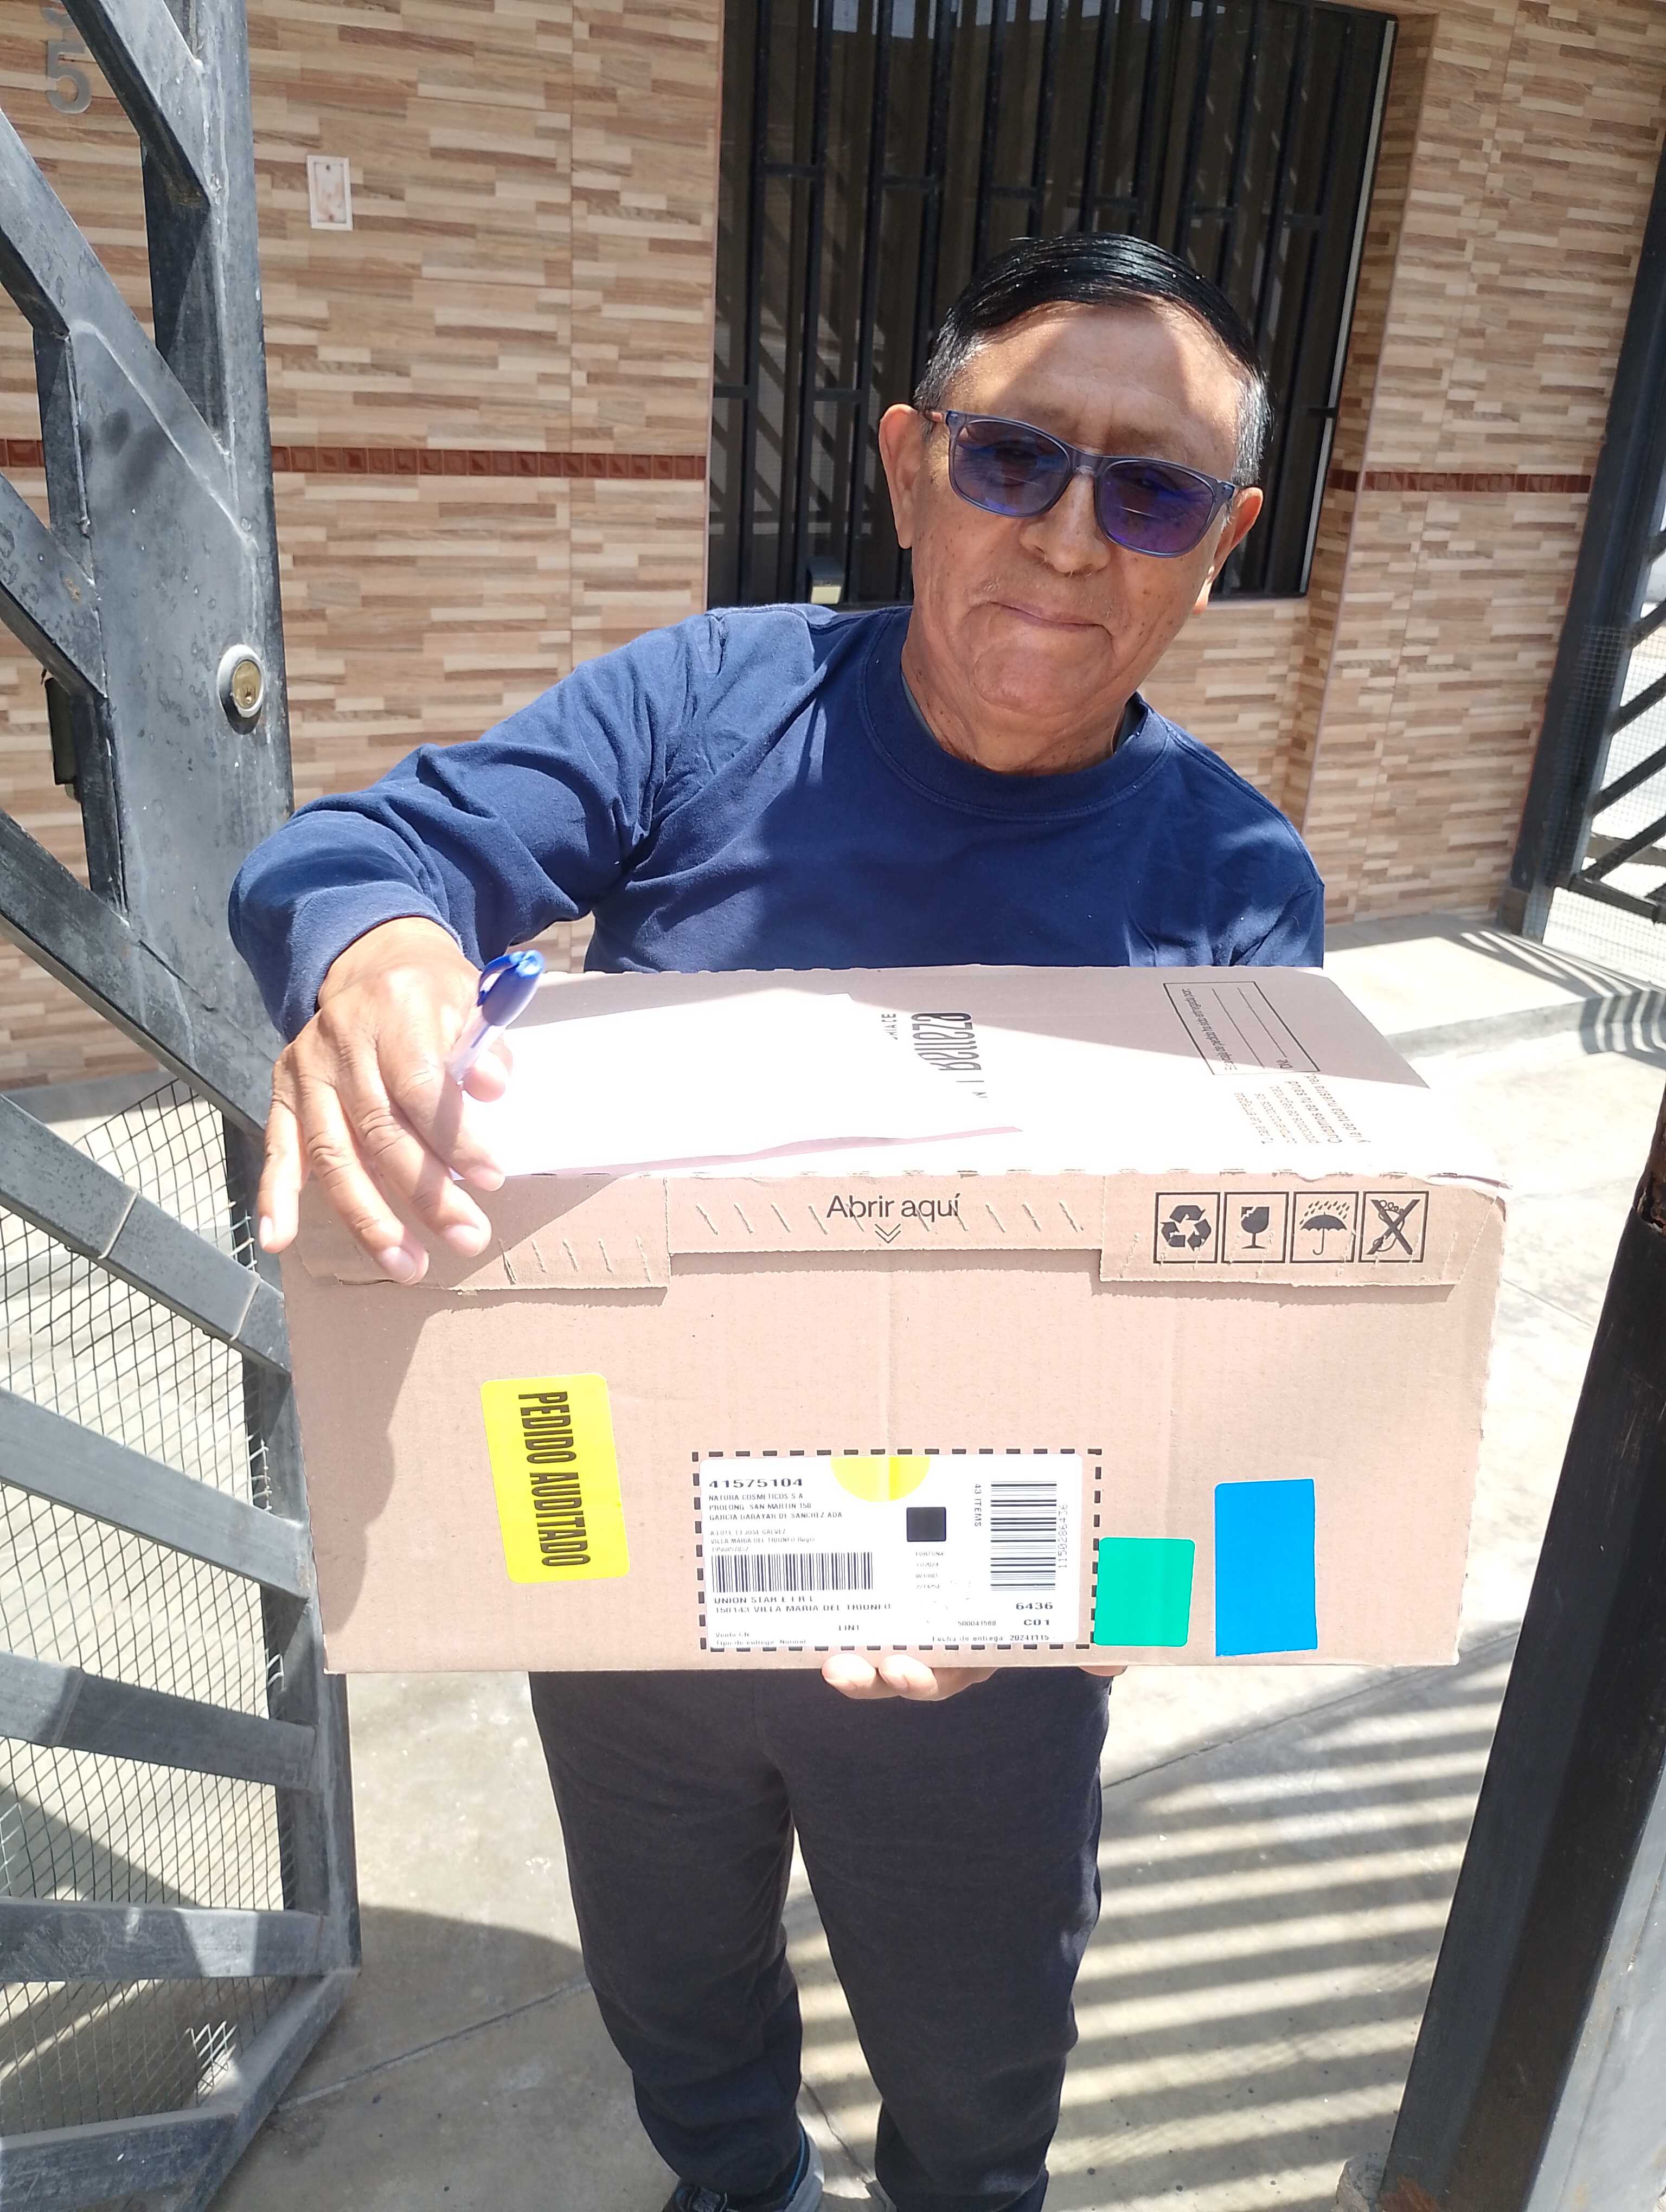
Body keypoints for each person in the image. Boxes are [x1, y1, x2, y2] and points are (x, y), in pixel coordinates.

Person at [230, 232, 1324, 2212]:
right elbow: (363, 844)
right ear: (911, 467)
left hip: (980, 1642)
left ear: (1222, 543)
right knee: (678, 2015)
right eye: (1014, 459)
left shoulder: (1238, 883)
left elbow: (1251, 1368)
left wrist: (1100, 1602)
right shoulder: (714, 702)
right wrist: (377, 947)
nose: (1071, 537)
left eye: (1153, 493)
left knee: (978, 2080)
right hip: (622, 1570)